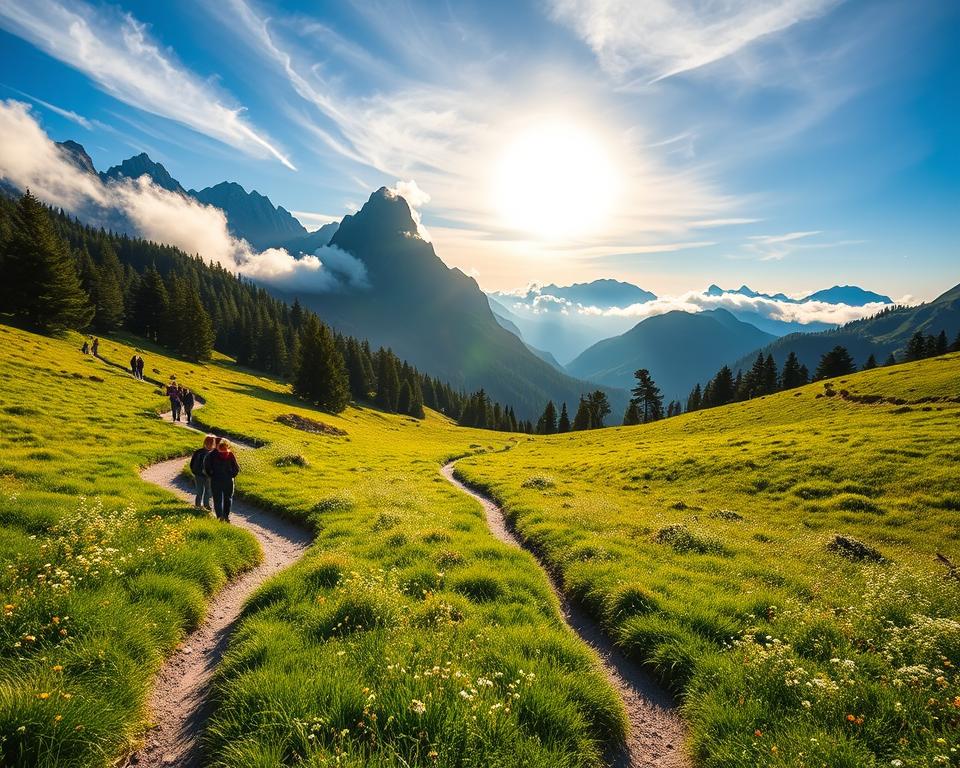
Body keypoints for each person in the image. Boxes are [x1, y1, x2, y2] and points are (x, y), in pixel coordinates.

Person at [204, 439, 240, 522]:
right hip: (228, 481)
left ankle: (219, 516)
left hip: (216, 480)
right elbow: (236, 468)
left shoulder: (211, 455)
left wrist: (211, 475)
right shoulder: (230, 454)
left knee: (217, 499)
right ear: (226, 446)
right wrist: (231, 475)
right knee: (228, 498)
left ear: (217, 445)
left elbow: (207, 468)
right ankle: (226, 516)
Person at [190, 434, 216, 510]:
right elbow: (192, 463)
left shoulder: (213, 454)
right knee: (200, 491)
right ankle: (198, 505)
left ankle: (206, 505)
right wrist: (195, 472)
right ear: (205, 443)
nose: (209, 445)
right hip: (199, 475)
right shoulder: (199, 452)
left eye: (211, 444)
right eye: (208, 444)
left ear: (213, 444)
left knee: (208, 491)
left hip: (209, 476)